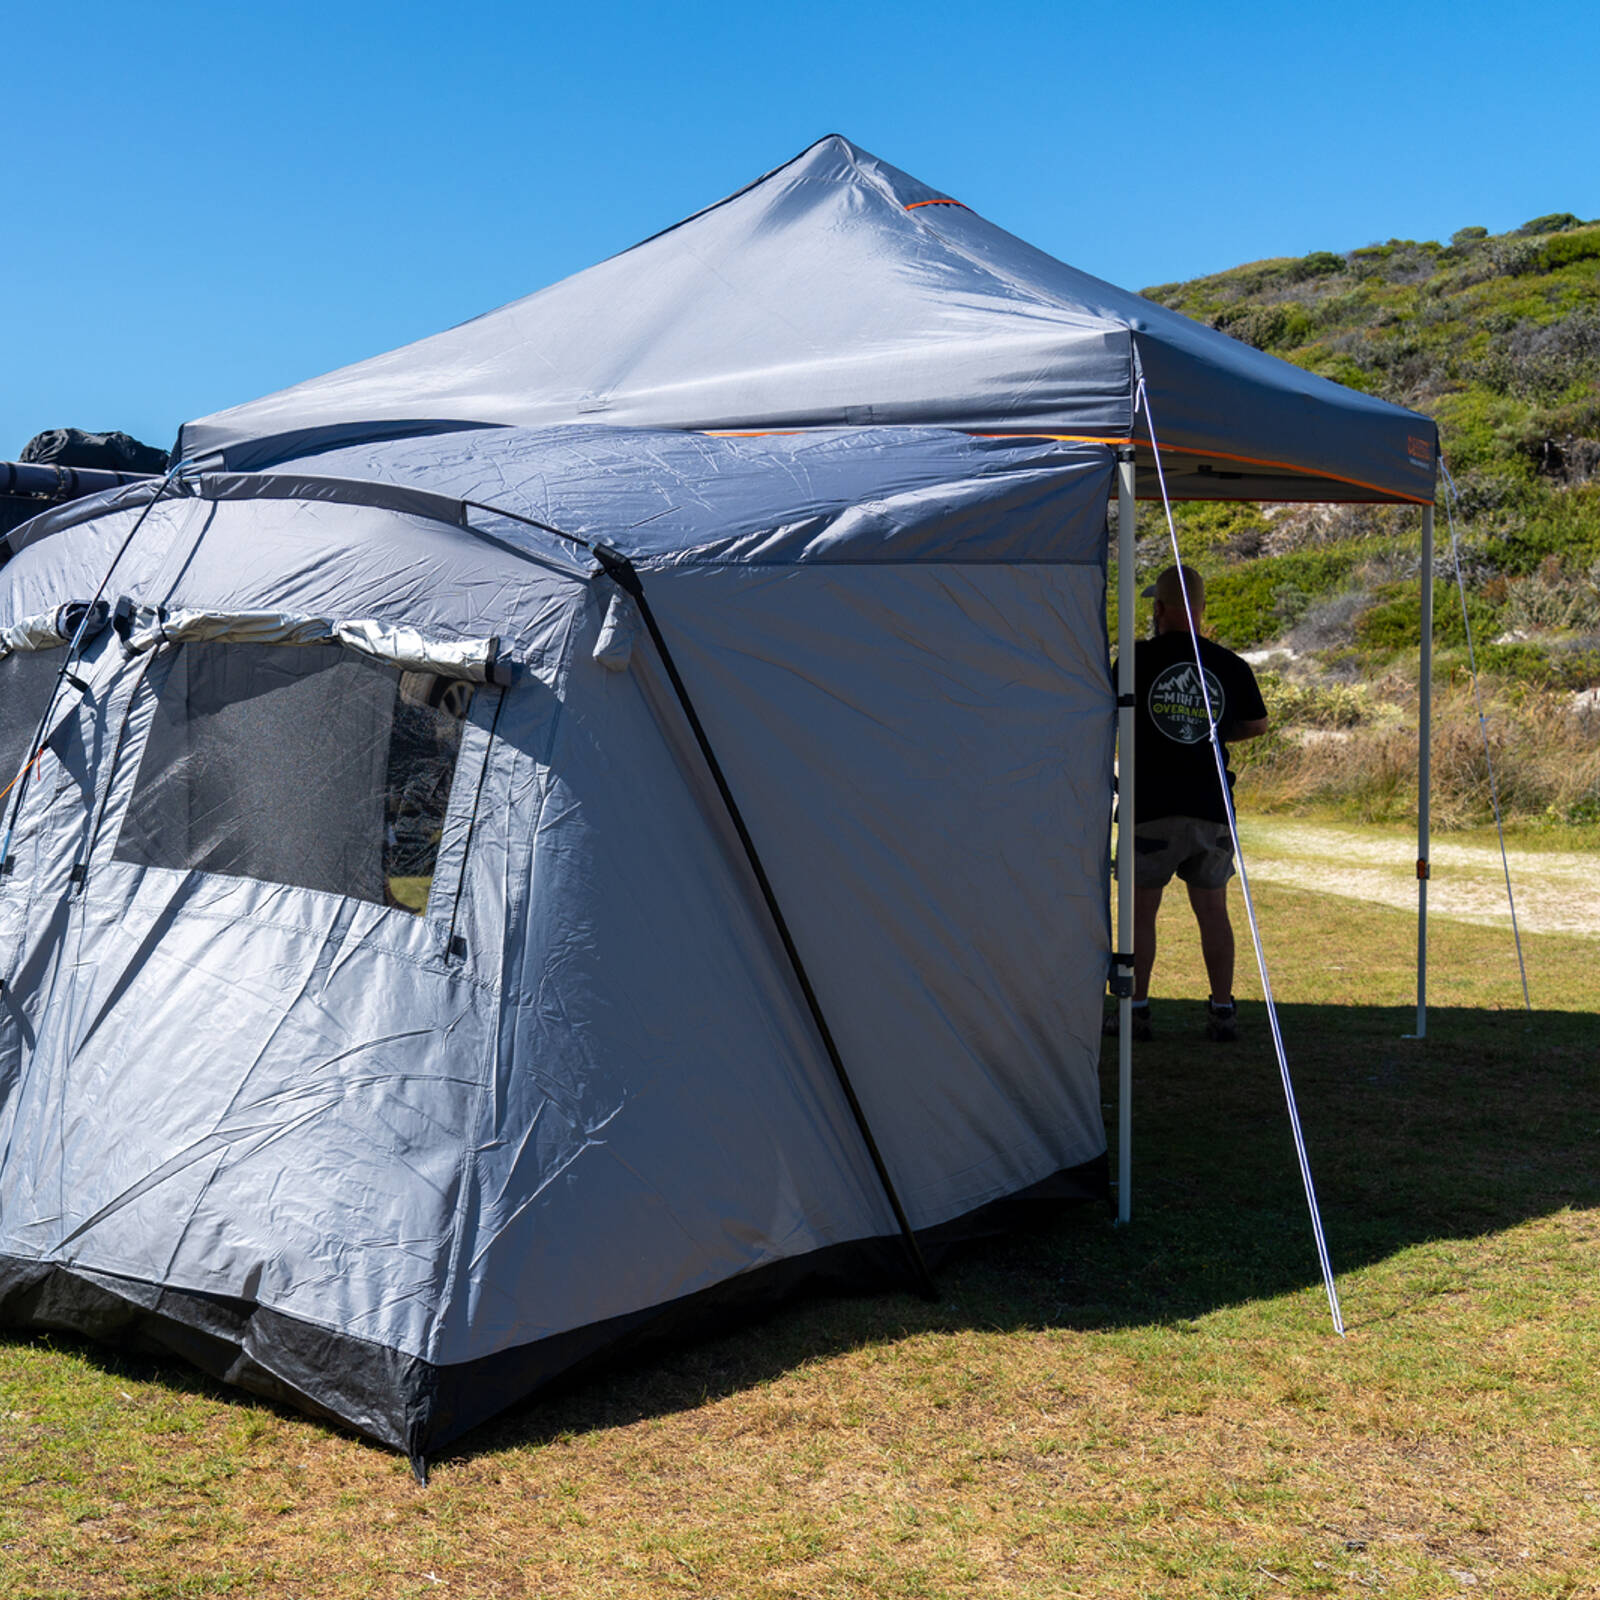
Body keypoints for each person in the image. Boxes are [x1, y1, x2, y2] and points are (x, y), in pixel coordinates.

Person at [1107, 564, 1268, 1042]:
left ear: (1157, 609)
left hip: (1152, 804)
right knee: (1213, 912)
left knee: (1141, 914)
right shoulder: (1230, 664)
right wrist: (1213, 734)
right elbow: (1257, 725)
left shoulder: (1134, 660)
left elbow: (1108, 716)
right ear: (1202, 611)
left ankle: (1136, 1011)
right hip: (1211, 806)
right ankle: (1222, 1011)